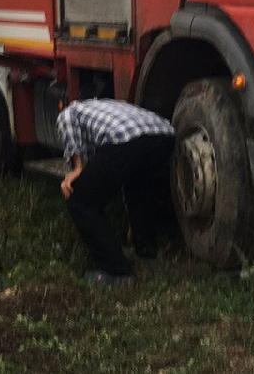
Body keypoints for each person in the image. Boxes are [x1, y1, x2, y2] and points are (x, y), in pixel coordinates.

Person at [57, 98, 175, 283]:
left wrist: (76, 169)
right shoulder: (109, 105)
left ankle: (115, 270)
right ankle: (146, 252)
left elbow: (67, 123)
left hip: (123, 139)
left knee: (81, 201)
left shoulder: (72, 111)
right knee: (137, 187)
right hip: (164, 136)